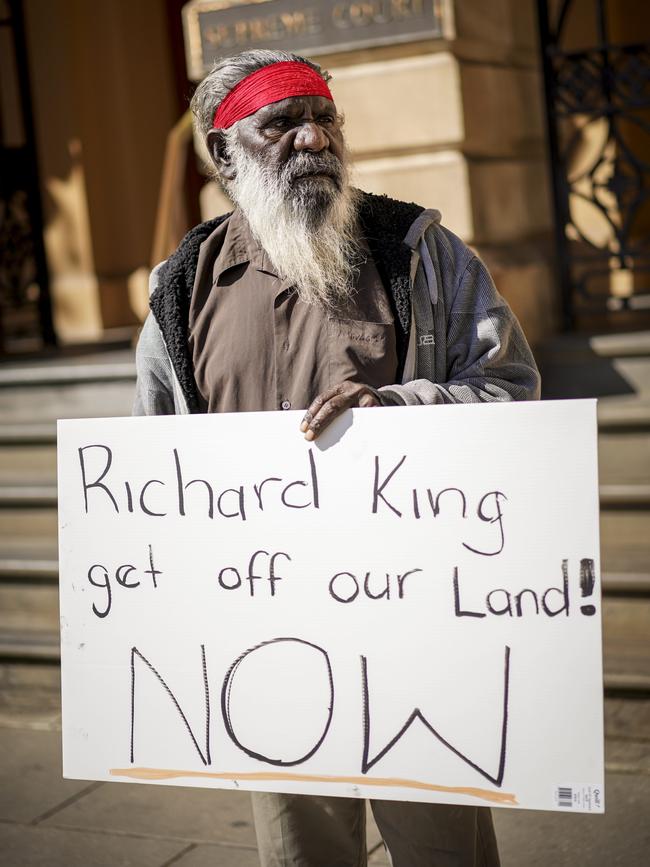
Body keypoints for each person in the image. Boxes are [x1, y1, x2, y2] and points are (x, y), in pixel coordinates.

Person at [133, 47, 540, 867]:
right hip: (266, 639)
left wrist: (396, 408)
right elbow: (153, 466)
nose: (313, 141)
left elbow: (511, 387)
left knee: (443, 849)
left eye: (324, 120)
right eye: (282, 125)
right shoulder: (182, 288)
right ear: (222, 155)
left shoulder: (418, 251)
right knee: (302, 851)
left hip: (411, 624)